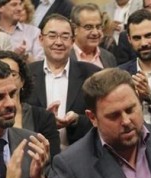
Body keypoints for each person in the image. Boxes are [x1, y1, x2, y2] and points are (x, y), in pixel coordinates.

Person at [27, 14, 101, 149]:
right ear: (41, 39)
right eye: (52, 36)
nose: (59, 42)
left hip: (81, 155)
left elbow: (102, 117)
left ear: (73, 41)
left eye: (65, 37)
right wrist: (45, 120)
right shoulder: (26, 75)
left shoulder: (92, 74)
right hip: (35, 153)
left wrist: (77, 120)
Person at [0, 49, 60, 158]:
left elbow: (54, 162)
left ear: (22, 81)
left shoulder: (43, 118)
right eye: (0, 73)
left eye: (12, 74)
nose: (7, 78)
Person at [70, 3, 117, 68]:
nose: (95, 33)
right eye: (88, 27)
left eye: (98, 27)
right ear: (74, 29)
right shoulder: (64, 57)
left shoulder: (109, 58)